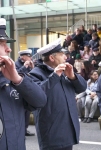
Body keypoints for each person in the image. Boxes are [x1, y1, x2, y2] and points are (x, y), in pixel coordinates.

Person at [29, 38, 87, 150]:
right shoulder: (35, 74)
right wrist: (55, 76)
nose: (66, 57)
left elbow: (82, 88)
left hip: (68, 130)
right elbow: (36, 95)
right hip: (52, 133)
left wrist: (73, 77)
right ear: (52, 58)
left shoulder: (65, 71)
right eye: (62, 55)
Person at [0, 18, 47, 150]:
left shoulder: (12, 78)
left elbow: (40, 101)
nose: (8, 49)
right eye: (1, 43)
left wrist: (17, 79)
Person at [15, 49, 35, 136]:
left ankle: (25, 129)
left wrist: (32, 67)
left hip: (27, 90)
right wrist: (24, 66)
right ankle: (20, 131)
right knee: (20, 112)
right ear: (23, 57)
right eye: (28, 56)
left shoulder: (30, 64)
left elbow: (33, 75)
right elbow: (16, 75)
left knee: (27, 112)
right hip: (18, 91)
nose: (30, 58)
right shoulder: (16, 64)